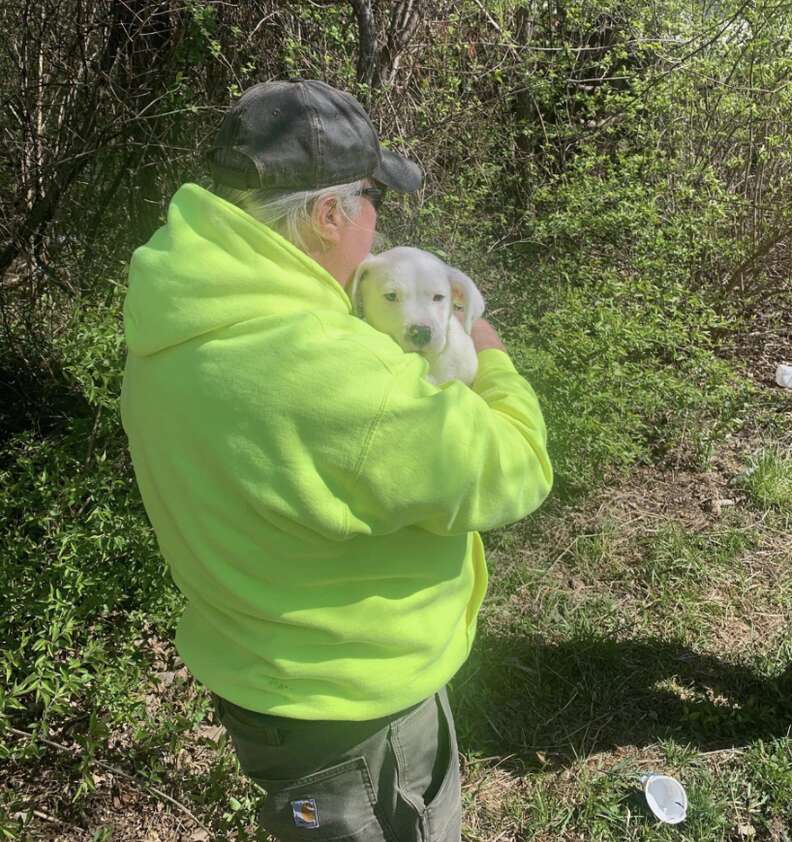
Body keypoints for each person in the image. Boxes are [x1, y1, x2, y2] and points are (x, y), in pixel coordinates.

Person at [120, 79, 553, 842]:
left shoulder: (174, 314)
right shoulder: (333, 370)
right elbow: (515, 467)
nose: (379, 224)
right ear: (328, 215)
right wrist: (489, 352)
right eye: (373, 201)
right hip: (359, 715)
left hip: (264, 683)